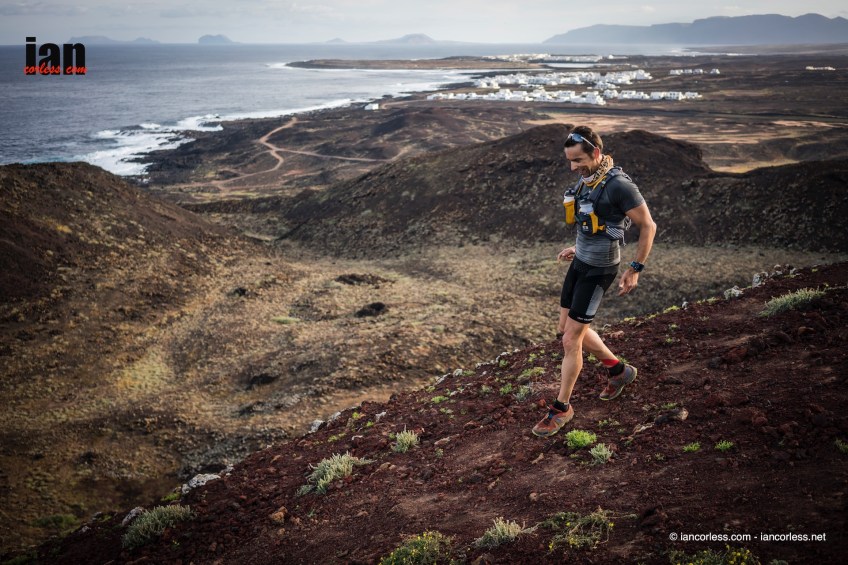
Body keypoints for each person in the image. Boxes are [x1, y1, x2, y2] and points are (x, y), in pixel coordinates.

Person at [533, 126, 656, 438]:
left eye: (578, 160)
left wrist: (635, 268)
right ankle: (619, 371)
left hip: (600, 269)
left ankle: (562, 408)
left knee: (570, 340)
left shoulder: (619, 185)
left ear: (596, 153)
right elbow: (593, 223)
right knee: (565, 329)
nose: (573, 167)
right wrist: (579, 247)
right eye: (570, 160)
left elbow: (648, 225)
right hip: (581, 262)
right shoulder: (589, 178)